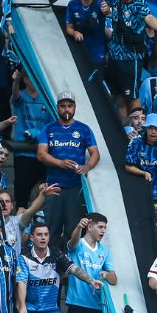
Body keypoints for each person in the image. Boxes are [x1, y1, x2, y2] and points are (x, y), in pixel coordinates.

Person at [36, 92, 99, 250]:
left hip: (75, 187)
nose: (66, 110)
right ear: (57, 107)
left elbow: (95, 154)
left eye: (69, 106)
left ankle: (71, 268)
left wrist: (87, 167)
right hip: (54, 187)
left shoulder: (83, 129)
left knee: (74, 229)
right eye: (63, 106)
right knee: (51, 228)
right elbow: (41, 154)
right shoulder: (48, 129)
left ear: (75, 108)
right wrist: (60, 163)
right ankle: (51, 266)